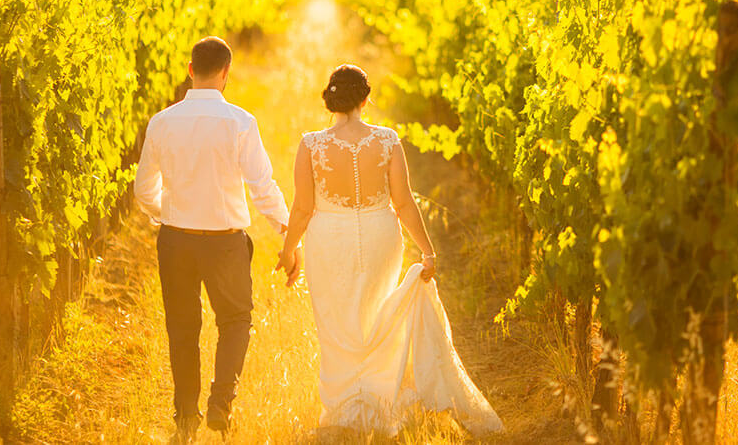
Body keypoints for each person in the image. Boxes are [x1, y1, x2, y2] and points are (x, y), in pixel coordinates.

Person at [277, 63, 503, 435]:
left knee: (336, 324)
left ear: (330, 100)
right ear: (366, 100)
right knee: (376, 315)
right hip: (382, 235)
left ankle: (345, 409)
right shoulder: (386, 140)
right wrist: (427, 250)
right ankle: (379, 398)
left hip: (328, 239)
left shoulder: (311, 145)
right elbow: (404, 204)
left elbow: (302, 209)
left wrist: (289, 251)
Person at [134, 36, 294, 441]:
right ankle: (221, 403)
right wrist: (287, 233)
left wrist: (164, 216)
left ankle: (185, 414)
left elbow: (142, 190)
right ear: (226, 74)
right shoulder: (240, 122)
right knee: (236, 320)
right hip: (225, 242)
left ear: (190, 70)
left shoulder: (161, 121)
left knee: (183, 328)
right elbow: (262, 186)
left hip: (176, 240)